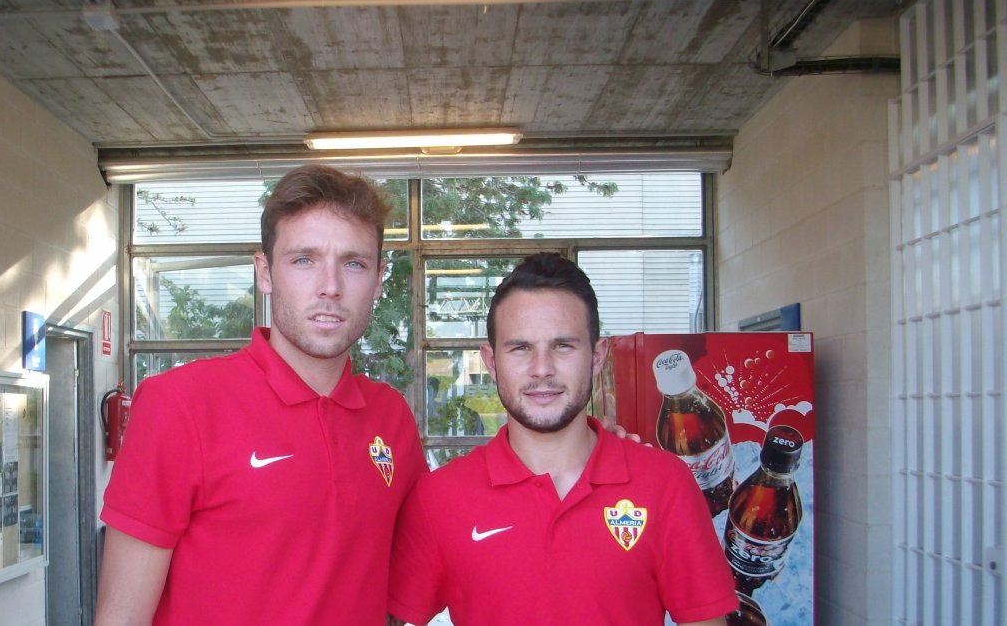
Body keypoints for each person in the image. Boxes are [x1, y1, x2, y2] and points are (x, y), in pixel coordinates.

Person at [95, 165, 427, 625]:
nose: (330, 286)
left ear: (377, 278)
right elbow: (120, 618)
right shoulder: (180, 404)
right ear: (265, 272)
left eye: (354, 262)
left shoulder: (391, 419)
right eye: (304, 260)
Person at [387, 253, 738, 626]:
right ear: (491, 362)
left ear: (597, 356)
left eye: (563, 346)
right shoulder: (439, 498)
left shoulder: (665, 483)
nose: (542, 369)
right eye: (520, 348)